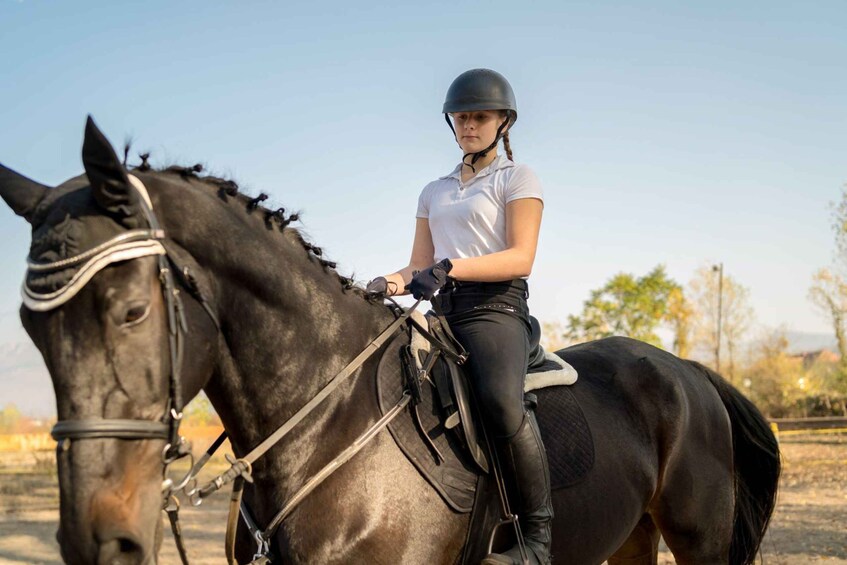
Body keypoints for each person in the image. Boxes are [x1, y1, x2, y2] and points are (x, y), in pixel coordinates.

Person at [366, 68, 552, 564]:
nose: (469, 125)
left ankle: (536, 541)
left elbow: (521, 257)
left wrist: (449, 269)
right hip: (443, 311)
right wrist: (390, 282)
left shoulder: (517, 177)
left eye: (480, 116)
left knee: (499, 401)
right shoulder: (434, 189)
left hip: (496, 310)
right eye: (461, 117)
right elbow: (417, 262)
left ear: (502, 123)